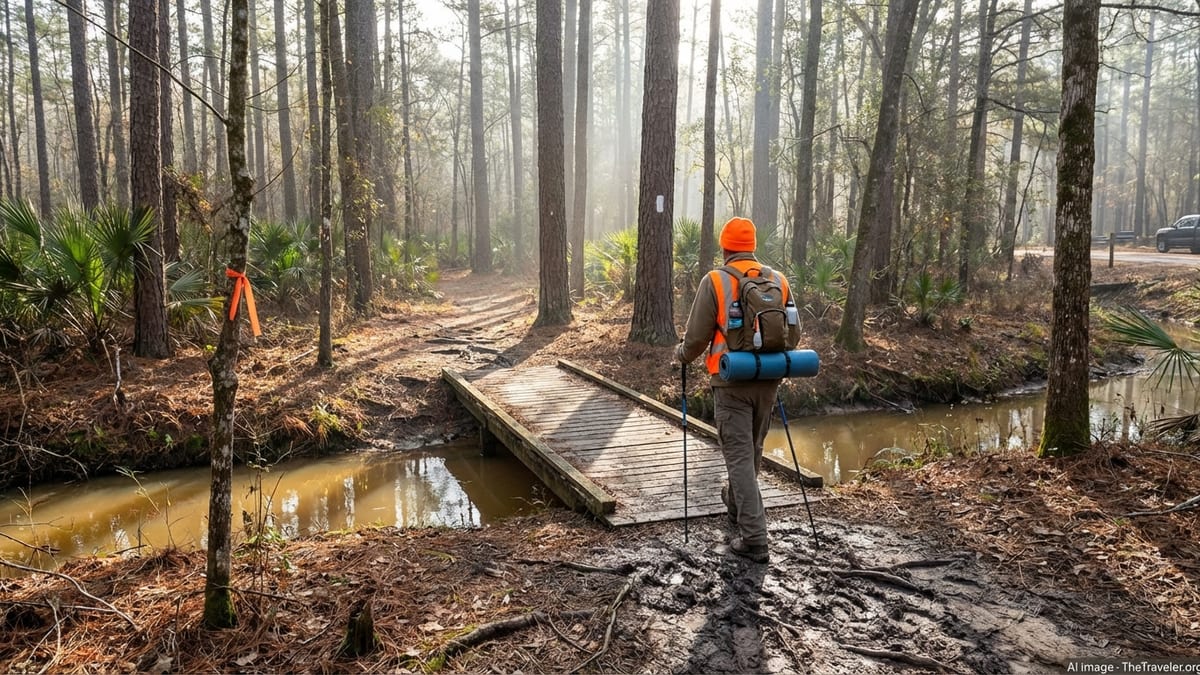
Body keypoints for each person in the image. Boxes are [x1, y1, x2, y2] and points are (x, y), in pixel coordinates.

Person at [675, 216, 798, 564]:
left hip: (731, 382)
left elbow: (697, 338)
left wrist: (682, 354)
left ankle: (755, 539)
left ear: (725, 247)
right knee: (752, 451)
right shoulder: (778, 280)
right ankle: (735, 508)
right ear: (753, 246)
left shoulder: (715, 280)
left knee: (740, 457)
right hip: (769, 379)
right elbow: (795, 334)